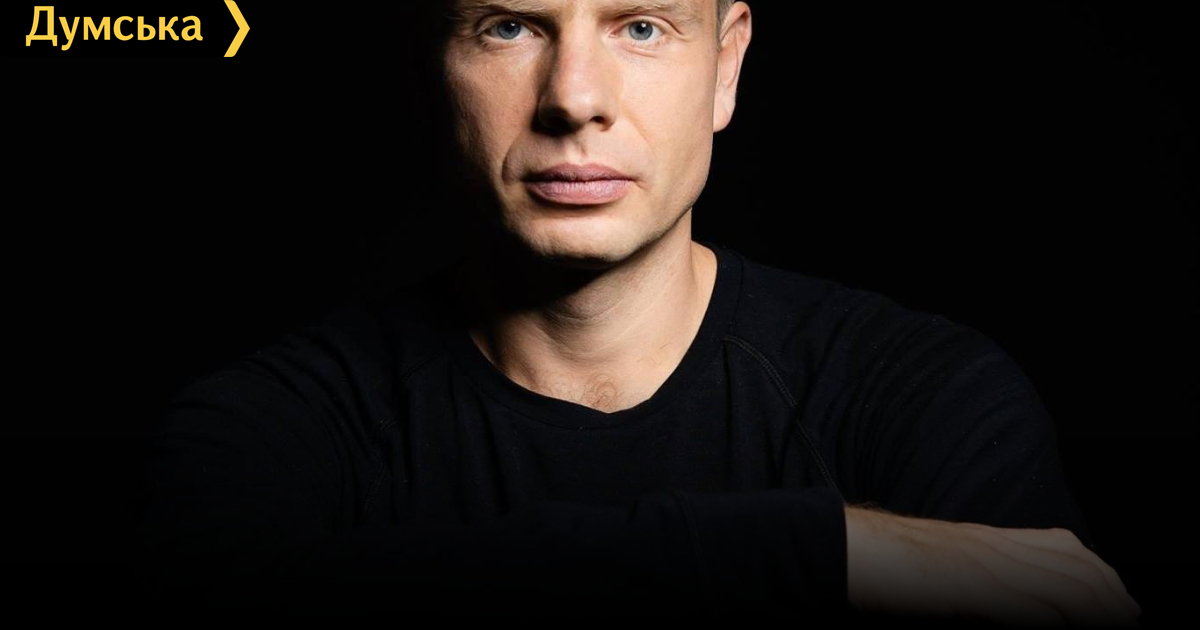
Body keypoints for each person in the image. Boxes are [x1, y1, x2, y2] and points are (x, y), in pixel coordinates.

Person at [131, 0, 1141, 623]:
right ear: (437, 65)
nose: (574, 98)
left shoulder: (924, 398)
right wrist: (822, 554)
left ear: (726, 66)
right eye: (509, 27)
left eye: (642, 27)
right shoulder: (275, 423)